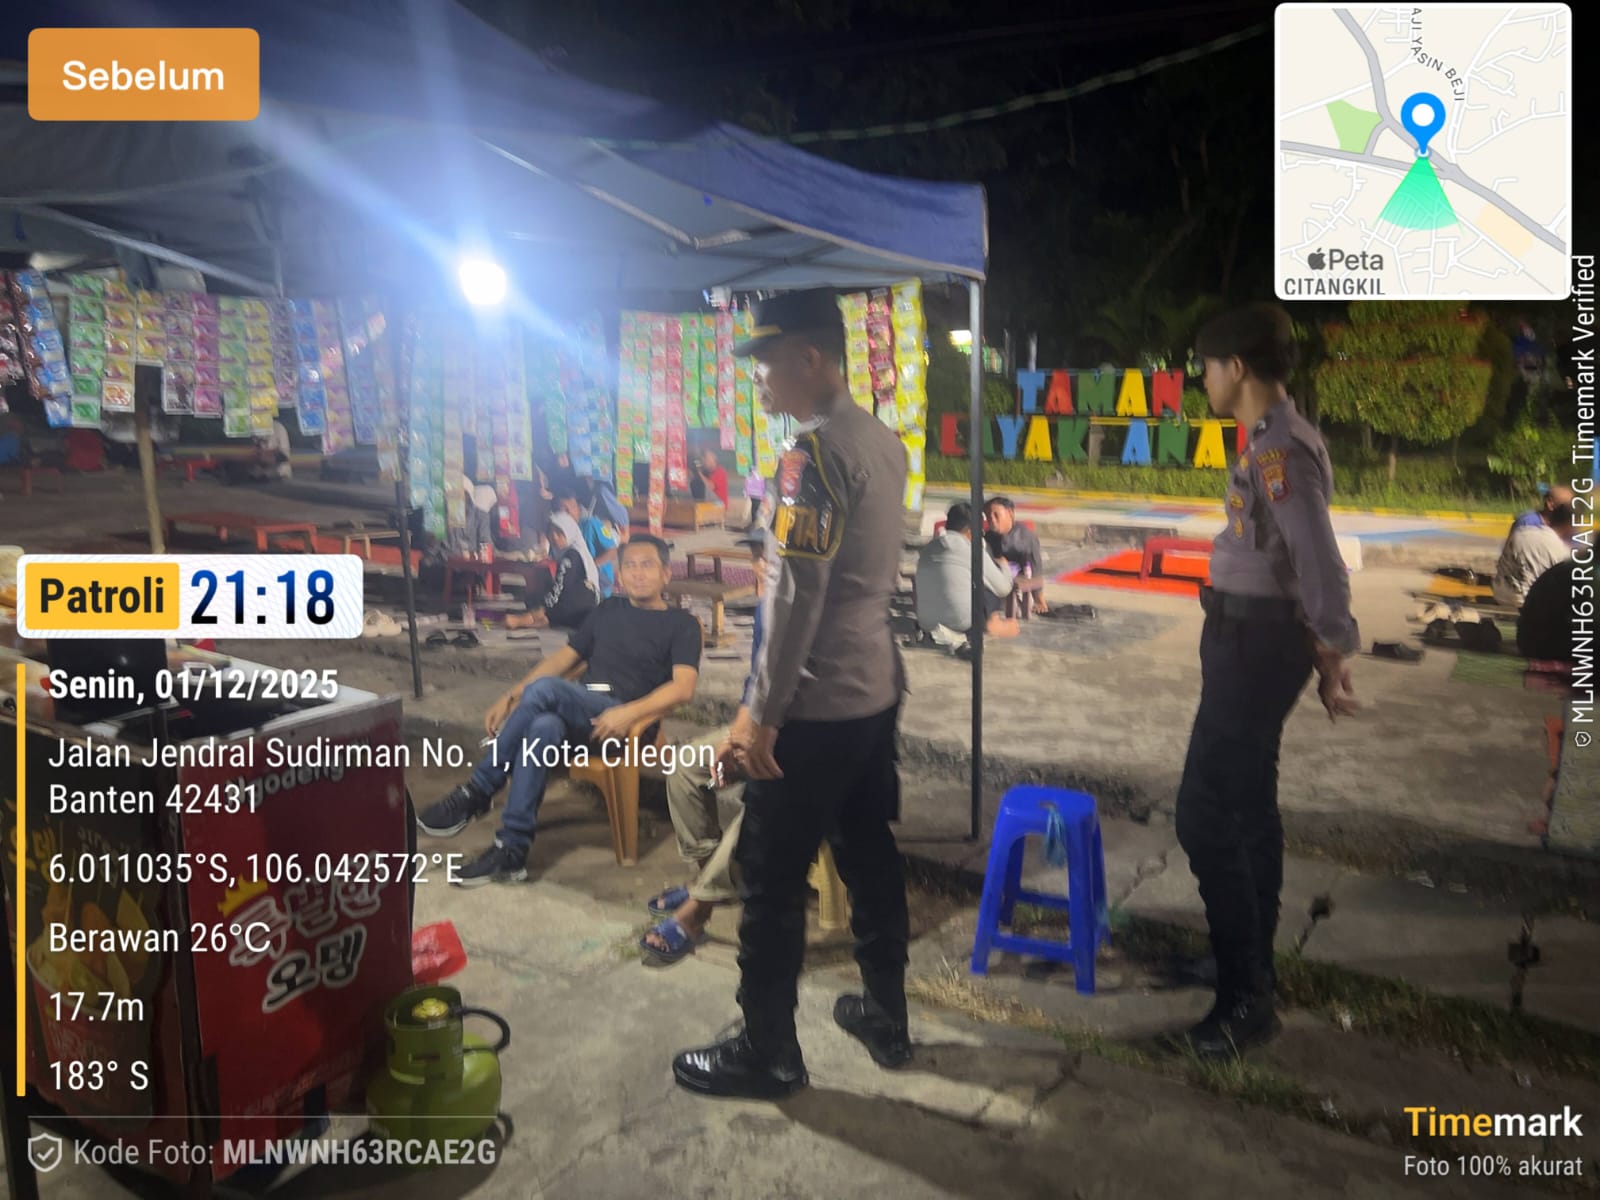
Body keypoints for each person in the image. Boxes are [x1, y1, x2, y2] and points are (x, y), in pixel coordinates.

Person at [672, 288, 911, 1100]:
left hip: (812, 706)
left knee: (771, 880)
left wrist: (759, 716)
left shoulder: (813, 456)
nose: (760, 379)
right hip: (873, 691)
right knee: (869, 853)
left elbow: (795, 595)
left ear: (811, 359)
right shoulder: (881, 441)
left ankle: (768, 1050)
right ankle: (886, 1015)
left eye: (768, 362)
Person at [1173, 303, 1359, 1059]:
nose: (1204, 381)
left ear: (1237, 368)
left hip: (1254, 647)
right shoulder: (1269, 440)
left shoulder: (1282, 449)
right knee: (1248, 805)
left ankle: (1245, 999)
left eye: (1207, 368)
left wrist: (1334, 648)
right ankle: (1248, 963)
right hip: (1248, 639)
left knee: (1202, 812)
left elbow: (1319, 559)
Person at [419, 535, 702, 885]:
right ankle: (512, 851)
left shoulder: (682, 624)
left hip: (627, 726)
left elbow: (683, 688)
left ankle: (478, 790)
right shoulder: (607, 611)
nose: (638, 573)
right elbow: (562, 660)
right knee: (543, 727)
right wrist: (509, 696)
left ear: (666, 574)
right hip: (582, 714)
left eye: (647, 565)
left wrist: (629, 714)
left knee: (547, 690)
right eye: (630, 565)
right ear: (619, 574)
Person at [639, 532, 771, 965]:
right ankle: (709, 878)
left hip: (807, 743)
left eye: (772, 558)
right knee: (685, 767)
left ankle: (697, 911)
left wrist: (753, 742)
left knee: (763, 797)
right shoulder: (768, 609)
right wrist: (736, 737)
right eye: (757, 557)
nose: (762, 566)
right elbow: (756, 684)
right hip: (760, 728)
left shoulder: (814, 612)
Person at [915, 502, 1018, 641]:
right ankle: (992, 624)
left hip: (927, 623)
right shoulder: (972, 550)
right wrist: (1004, 566)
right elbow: (1003, 588)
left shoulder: (929, 548)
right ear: (970, 531)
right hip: (963, 624)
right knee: (988, 586)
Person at [504, 513, 597, 631]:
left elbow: (558, 590)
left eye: (559, 533)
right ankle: (542, 619)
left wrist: (541, 608)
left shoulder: (571, 556)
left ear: (569, 533)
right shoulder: (578, 552)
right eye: (551, 533)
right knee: (538, 600)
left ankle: (524, 620)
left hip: (577, 609)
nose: (554, 537)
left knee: (539, 604)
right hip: (585, 608)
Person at [1493, 502, 1572, 608]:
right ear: (1569, 526)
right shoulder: (1561, 550)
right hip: (1528, 602)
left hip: (1500, 594)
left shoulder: (1520, 532)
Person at [551, 483, 620, 599]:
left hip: (599, 582)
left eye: (573, 507)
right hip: (573, 581)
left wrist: (591, 566)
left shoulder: (591, 524)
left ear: (578, 509)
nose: (569, 512)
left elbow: (613, 551)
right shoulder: (558, 533)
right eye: (564, 509)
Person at [983, 496, 1048, 614]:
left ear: (1010, 513)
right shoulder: (987, 537)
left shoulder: (1026, 538)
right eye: (988, 516)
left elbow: (1036, 569)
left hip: (1018, 583)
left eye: (996, 515)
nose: (992, 519)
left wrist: (1039, 599)